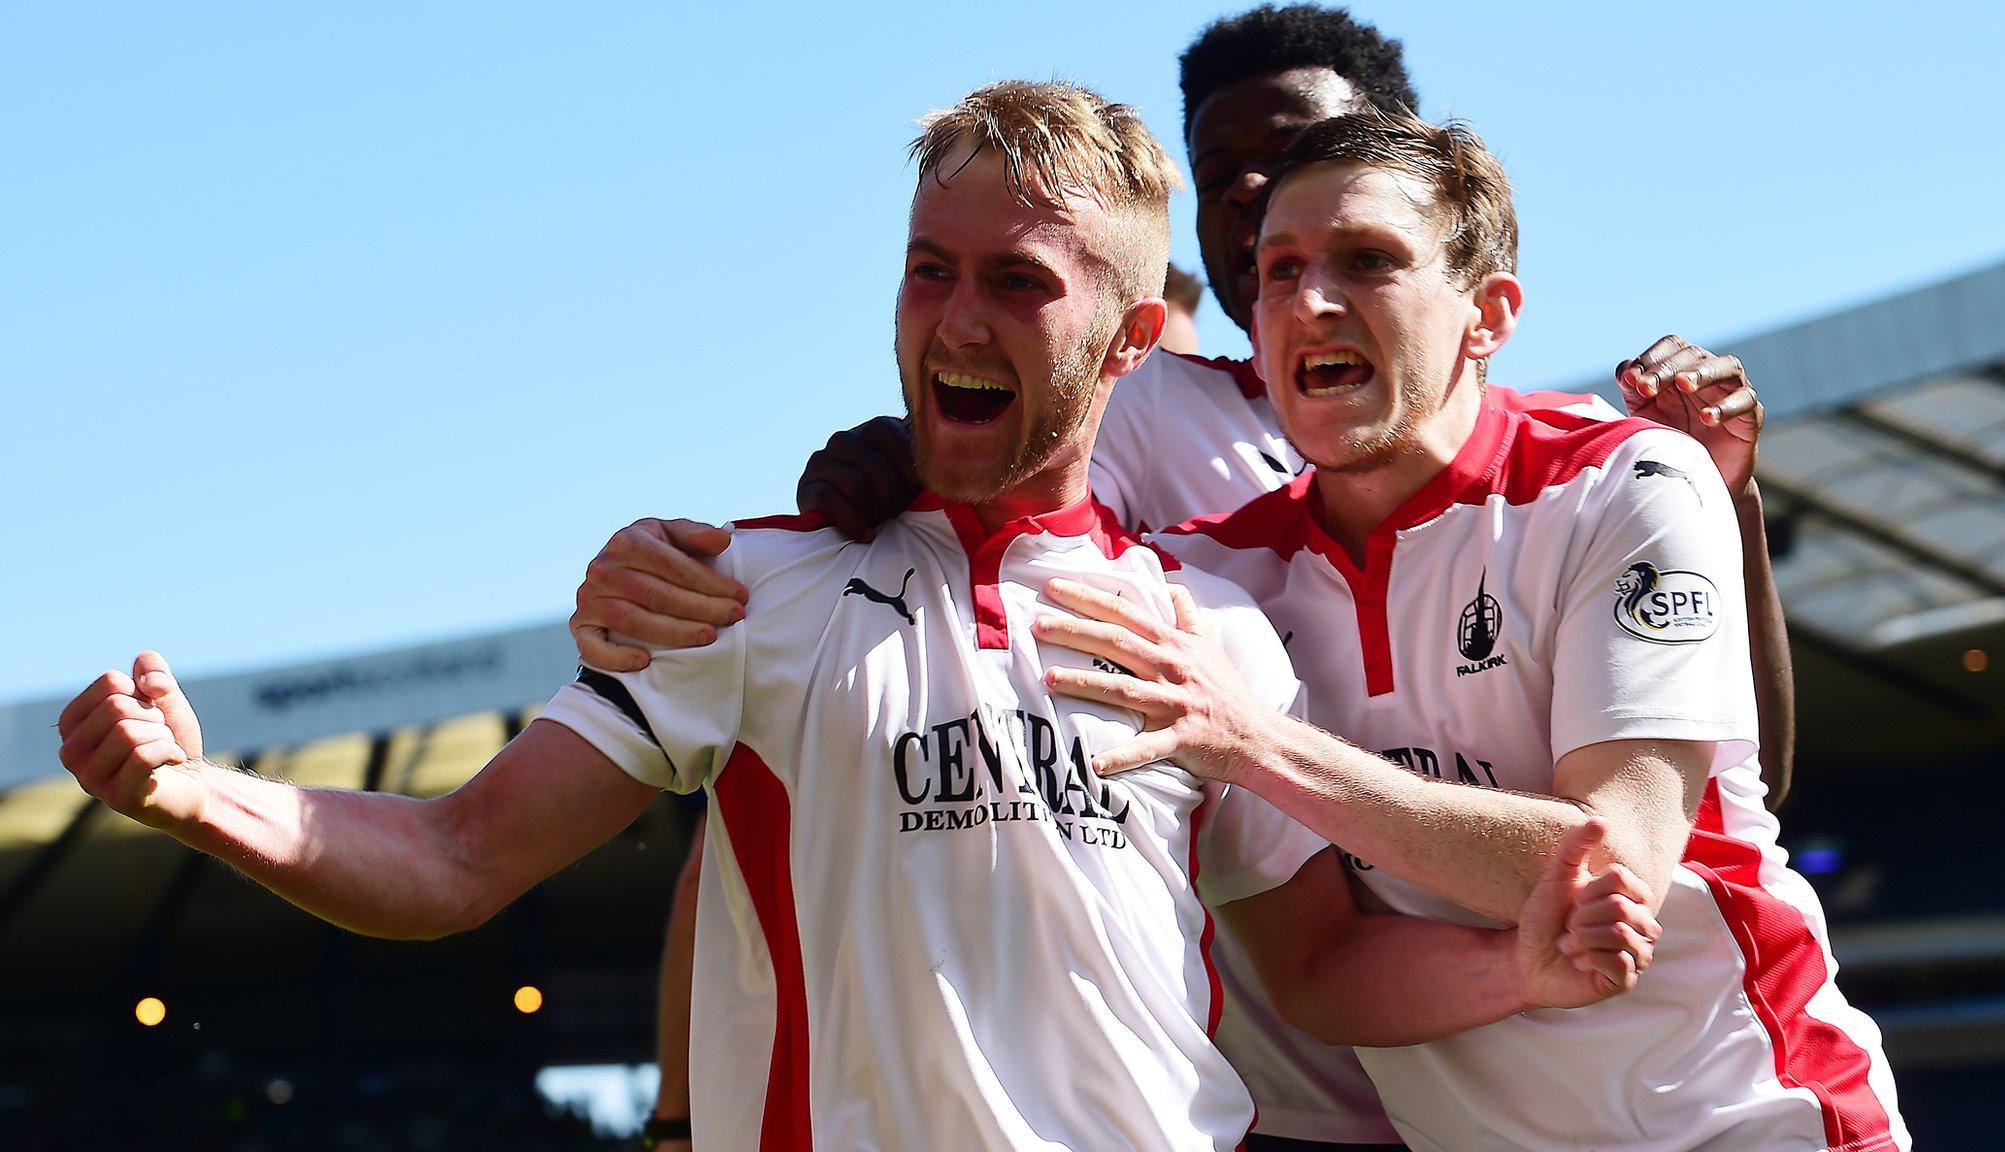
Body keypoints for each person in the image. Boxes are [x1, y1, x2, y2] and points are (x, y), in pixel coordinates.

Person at [55, 83, 1657, 1152]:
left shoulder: (1221, 629)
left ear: (1132, 338)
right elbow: (454, 861)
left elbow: (1316, 972)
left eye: (1019, 284)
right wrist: (202, 799)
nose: (955, 319)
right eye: (925, 272)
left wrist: (1541, 969)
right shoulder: (750, 588)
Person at [578, 9, 1794, 1151]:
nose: (1262, 201)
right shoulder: (1164, 450)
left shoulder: (1594, 474)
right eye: (1230, 186)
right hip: (1296, 1097)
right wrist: (815, 501)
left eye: (1306, 165)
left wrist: (1724, 507)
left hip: (1711, 1108)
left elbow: (1719, 804)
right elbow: (913, 562)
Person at [1033, 108, 1908, 1151]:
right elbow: (1316, 971)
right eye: (1278, 270)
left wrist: (1256, 747)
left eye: (1366, 261)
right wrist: (1512, 971)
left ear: (1487, 316)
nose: (1309, 302)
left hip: (1751, 1123)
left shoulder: (1620, 481)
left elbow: (1604, 865)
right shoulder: (1215, 584)